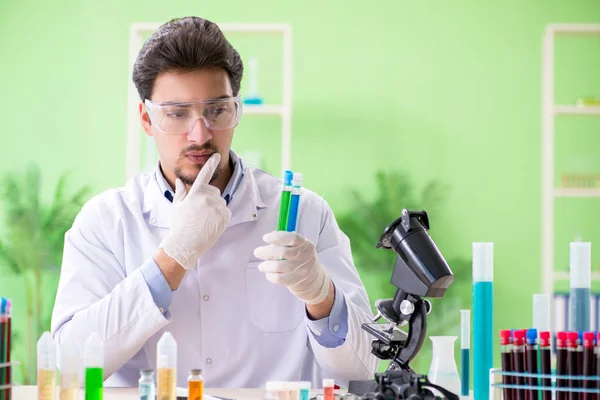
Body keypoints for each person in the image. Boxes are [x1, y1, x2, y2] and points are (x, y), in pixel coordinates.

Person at [51, 16, 379, 389]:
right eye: (177, 114)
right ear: (146, 118)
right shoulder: (106, 222)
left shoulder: (304, 213)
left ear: (236, 111)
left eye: (216, 110)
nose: (200, 133)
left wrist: (322, 297)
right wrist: (171, 259)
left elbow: (363, 371)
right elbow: (68, 369)